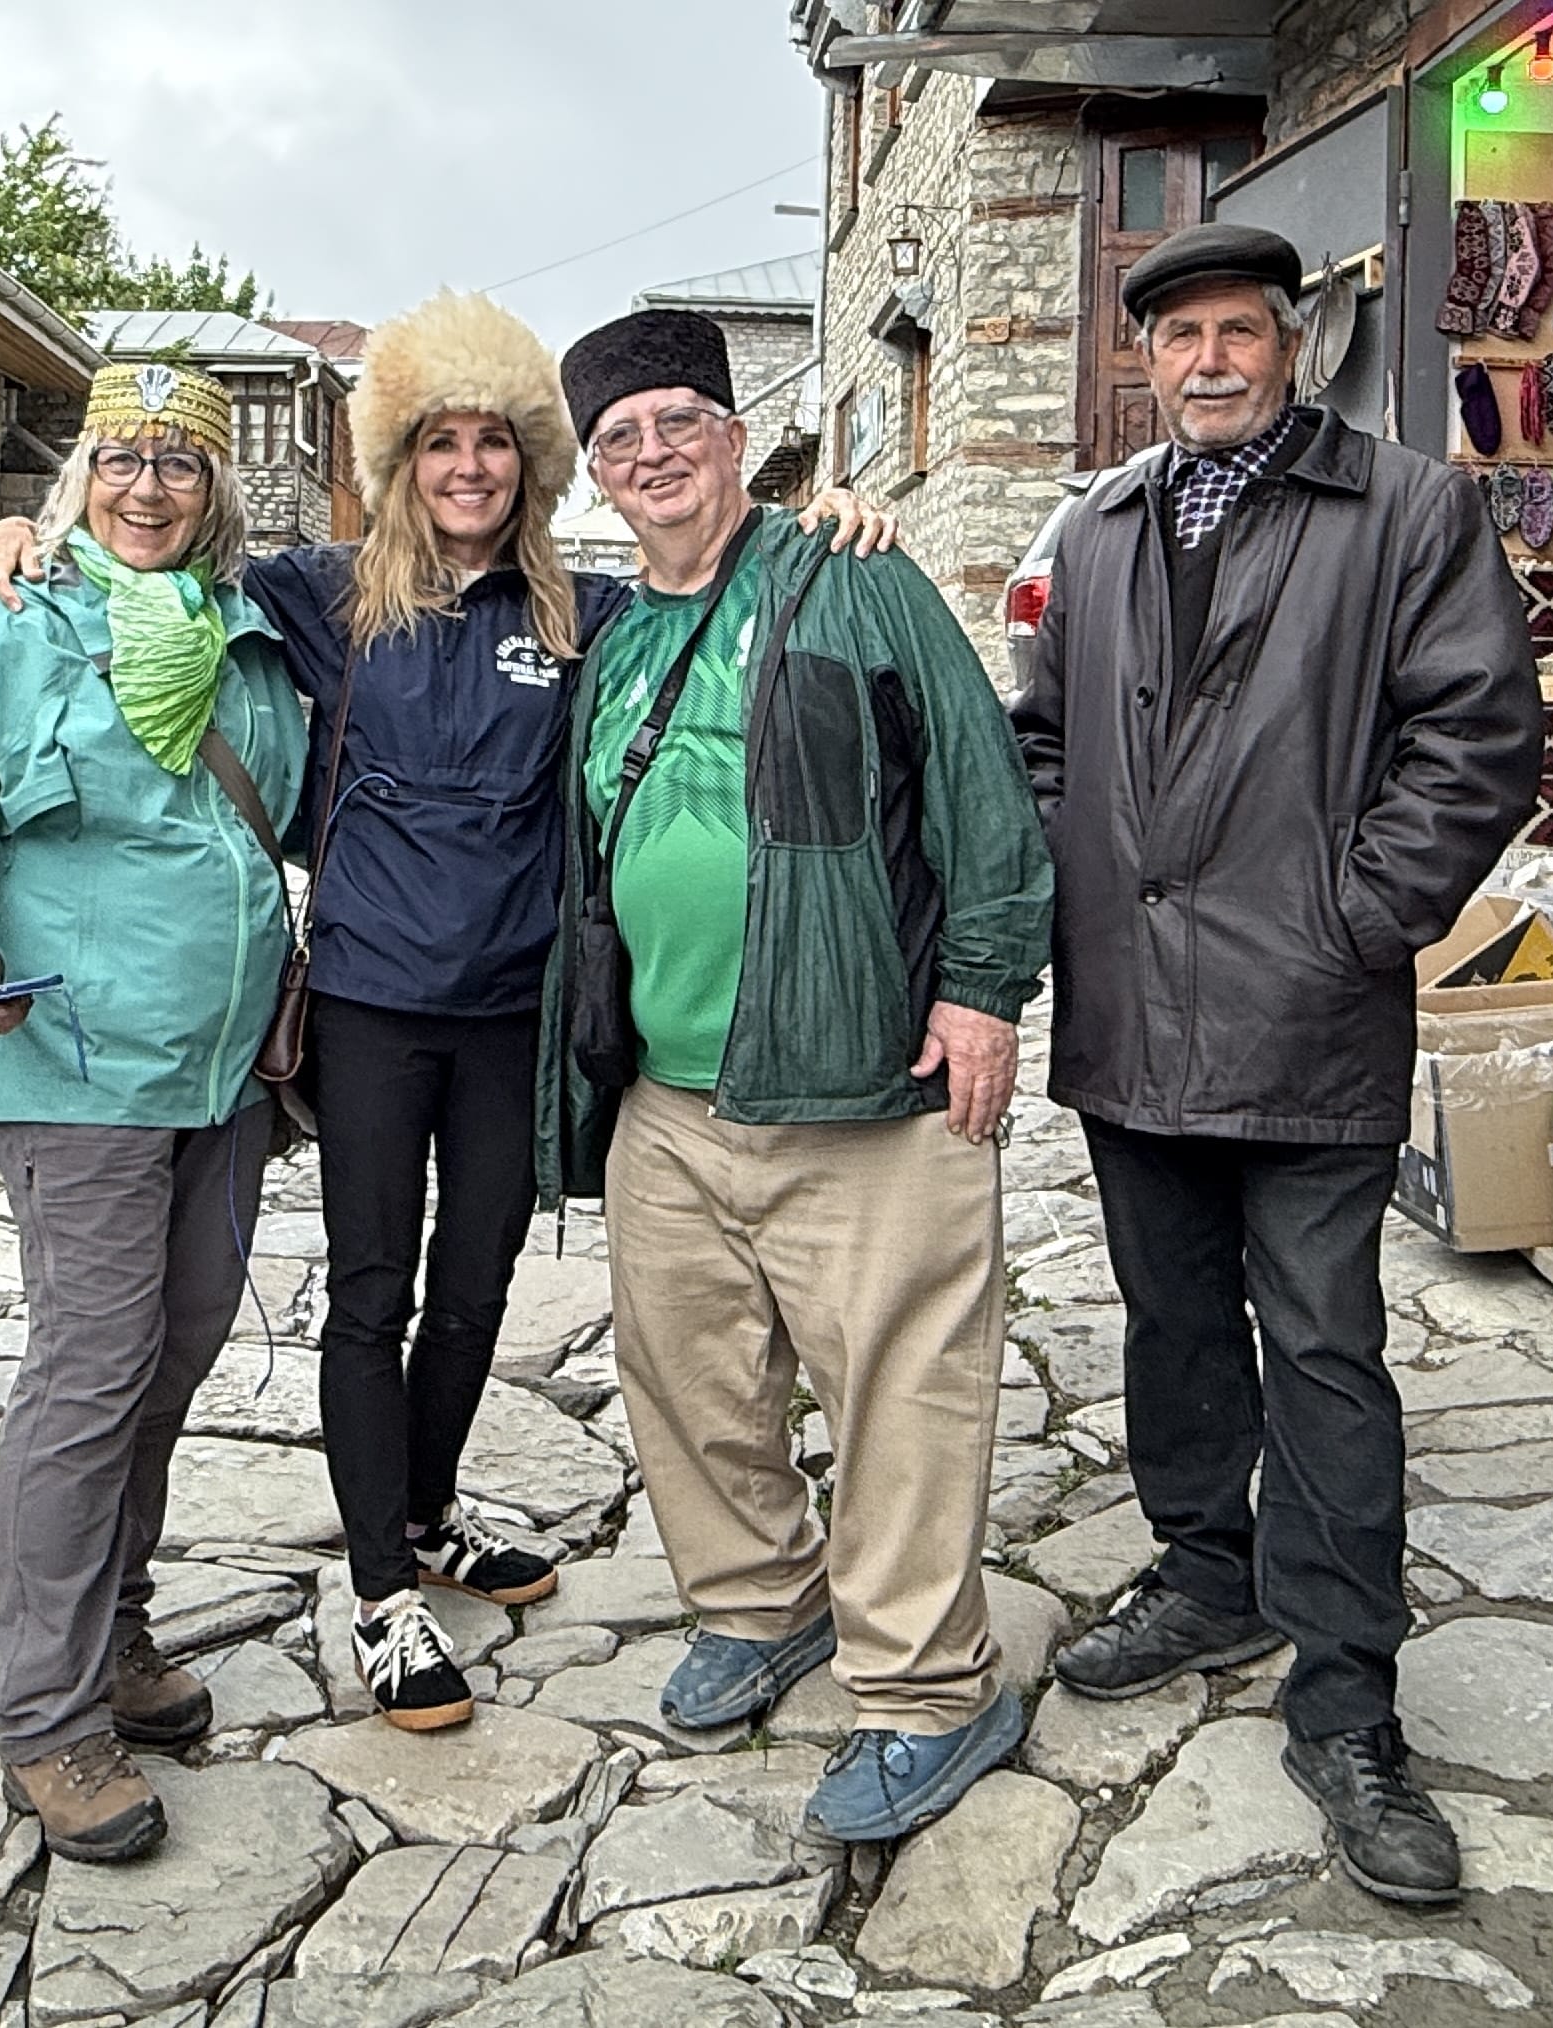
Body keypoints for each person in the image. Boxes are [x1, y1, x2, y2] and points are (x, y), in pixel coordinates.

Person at [0, 299, 903, 1734]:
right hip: (370, 1004)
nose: (468, 468)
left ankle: (431, 1507)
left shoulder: (583, 613)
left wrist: (824, 515)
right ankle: (381, 1594)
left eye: (494, 443)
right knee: (368, 1294)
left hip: (515, 1012)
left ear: (530, 459)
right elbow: (153, 575)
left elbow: (717, 585)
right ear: (398, 459)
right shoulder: (318, 596)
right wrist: (20, 541)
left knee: (475, 1291)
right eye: (438, 443)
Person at [1010, 223, 1545, 1905]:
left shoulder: (1405, 508)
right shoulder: (1093, 531)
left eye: (1241, 331)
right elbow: (1040, 740)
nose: (1212, 363)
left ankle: (1347, 1699)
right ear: (1146, 362)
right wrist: (1062, 896)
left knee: (1322, 1348)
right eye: (1181, 341)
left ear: (1290, 343)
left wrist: (1355, 913)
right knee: (1169, 1319)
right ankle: (1201, 1569)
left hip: (1305, 1003)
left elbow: (1476, 734)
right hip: (1130, 1008)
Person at [538, 309, 1053, 1844]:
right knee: (690, 1380)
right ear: (598, 475)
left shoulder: (854, 574)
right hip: (671, 1098)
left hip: (866, 1082)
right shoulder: (614, 634)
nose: (653, 456)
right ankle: (762, 1604)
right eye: (620, 440)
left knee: (901, 1389)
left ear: (732, 435)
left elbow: (980, 784)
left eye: (678, 422)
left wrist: (982, 991)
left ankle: (927, 1690)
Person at [0, 360, 307, 1864]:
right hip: (77, 1067)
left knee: (168, 1364)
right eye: (117, 460)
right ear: (76, 483)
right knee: (89, 1371)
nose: (145, 488)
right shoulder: (14, 631)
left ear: (214, 490)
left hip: (226, 1074)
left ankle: (115, 1639)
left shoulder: (247, 641)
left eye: (177, 464)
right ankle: (45, 1721)